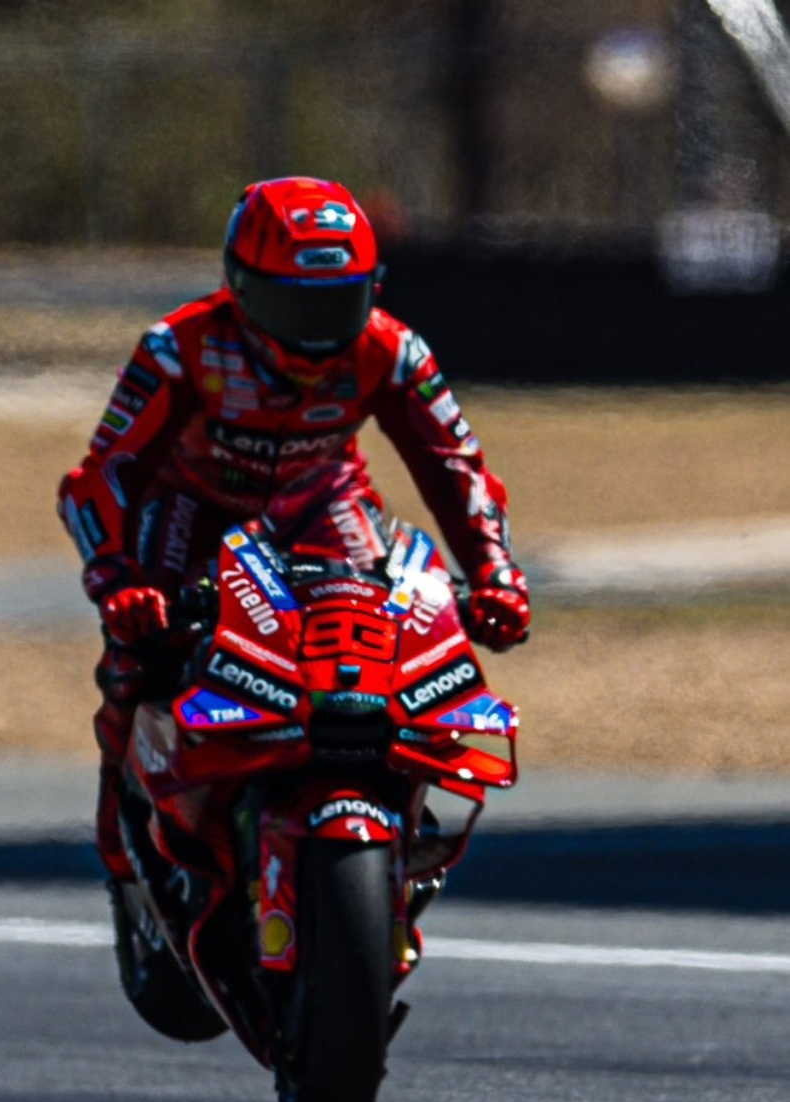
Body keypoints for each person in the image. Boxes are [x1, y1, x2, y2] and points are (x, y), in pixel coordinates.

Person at [56, 176, 530, 896]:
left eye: (337, 304)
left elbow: (455, 466)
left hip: (323, 498)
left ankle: (397, 804)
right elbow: (102, 477)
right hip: (195, 506)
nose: (314, 333)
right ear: (239, 287)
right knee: (138, 653)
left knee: (396, 632)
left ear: (372, 291)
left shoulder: (394, 350)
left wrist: (495, 574)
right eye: (291, 305)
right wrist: (117, 580)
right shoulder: (178, 347)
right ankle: (125, 835)